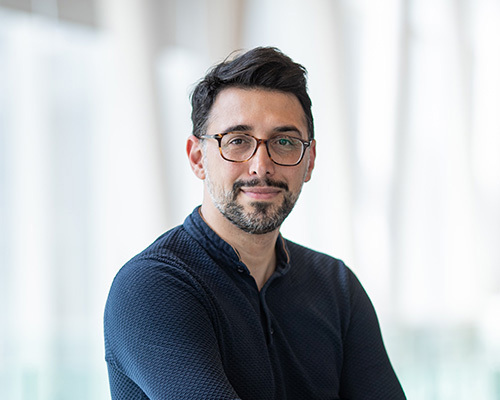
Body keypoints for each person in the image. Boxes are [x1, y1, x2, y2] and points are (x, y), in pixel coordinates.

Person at [104, 46, 406, 400]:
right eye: (237, 141)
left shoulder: (336, 287)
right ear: (198, 157)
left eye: (284, 142)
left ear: (309, 162)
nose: (261, 165)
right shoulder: (150, 287)